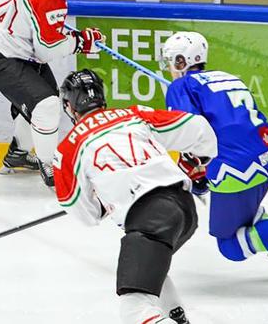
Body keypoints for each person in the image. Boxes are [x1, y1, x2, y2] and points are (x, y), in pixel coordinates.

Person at [160, 31, 268, 277]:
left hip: (236, 169)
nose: (169, 66)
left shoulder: (181, 86)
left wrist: (196, 179)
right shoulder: (227, 77)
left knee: (230, 245)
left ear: (181, 61)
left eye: (171, 60)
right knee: (247, 219)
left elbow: (188, 131)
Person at [53, 69, 217, 324]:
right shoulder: (134, 114)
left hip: (150, 217)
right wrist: (198, 158)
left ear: (70, 106)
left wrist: (101, 206)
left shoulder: (68, 148)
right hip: (184, 209)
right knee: (151, 267)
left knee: (134, 308)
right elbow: (198, 128)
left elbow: (81, 210)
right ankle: (176, 316)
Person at [0, 0, 104, 186]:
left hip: (18, 48)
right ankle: (51, 166)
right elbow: (46, 51)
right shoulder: (47, 1)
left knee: (41, 108)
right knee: (46, 105)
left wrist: (13, 7)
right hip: (1, 54)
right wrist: (82, 42)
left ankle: (18, 154)